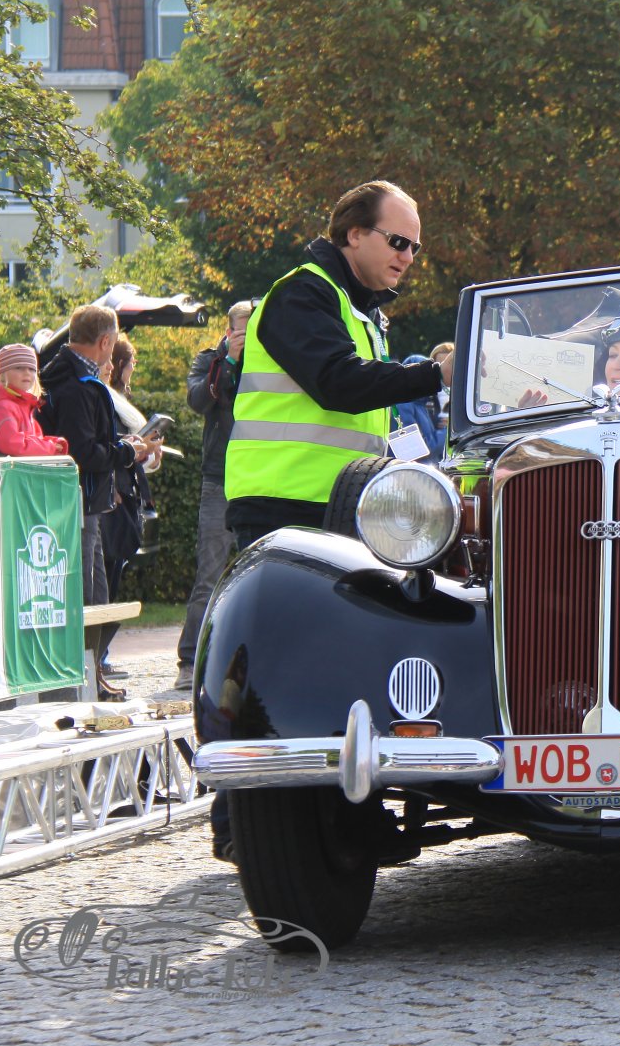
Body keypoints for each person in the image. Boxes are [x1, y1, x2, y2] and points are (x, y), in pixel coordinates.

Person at [224, 180, 454, 549]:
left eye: (415, 247)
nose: (408, 257)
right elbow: (339, 382)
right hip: (285, 506)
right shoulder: (301, 293)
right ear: (355, 233)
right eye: (398, 242)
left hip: (341, 503)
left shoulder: (359, 309)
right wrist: (436, 373)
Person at [38, 305, 152, 700]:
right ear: (105, 341)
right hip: (80, 503)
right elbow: (82, 451)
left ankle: (92, 673)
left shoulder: (72, 376)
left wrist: (121, 446)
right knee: (84, 597)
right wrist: (127, 452)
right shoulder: (76, 383)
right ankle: (80, 680)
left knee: (98, 596)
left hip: (91, 501)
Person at [175, 300, 250, 690]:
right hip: (220, 478)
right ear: (228, 329)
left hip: (259, 479)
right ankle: (189, 661)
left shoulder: (270, 363)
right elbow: (198, 400)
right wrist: (230, 362)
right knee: (209, 574)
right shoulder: (210, 360)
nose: (249, 336)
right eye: (243, 328)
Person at [96, 334, 163, 681]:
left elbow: (133, 459)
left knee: (113, 574)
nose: (115, 367)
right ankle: (97, 656)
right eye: (127, 361)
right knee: (103, 578)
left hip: (125, 494)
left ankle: (101, 655)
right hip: (110, 498)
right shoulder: (100, 398)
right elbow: (99, 450)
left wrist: (149, 454)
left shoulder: (121, 401)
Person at [0, 344, 68, 457]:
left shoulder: (26, 406)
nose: (27, 373)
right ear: (3, 373)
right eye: (19, 368)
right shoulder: (2, 407)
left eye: (32, 369)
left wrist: (53, 443)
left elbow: (31, 440)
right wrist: (50, 447)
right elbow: (12, 444)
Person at [396, 354, 446, 461]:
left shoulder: (421, 404)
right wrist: (447, 432)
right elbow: (418, 450)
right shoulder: (403, 405)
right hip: (414, 470)